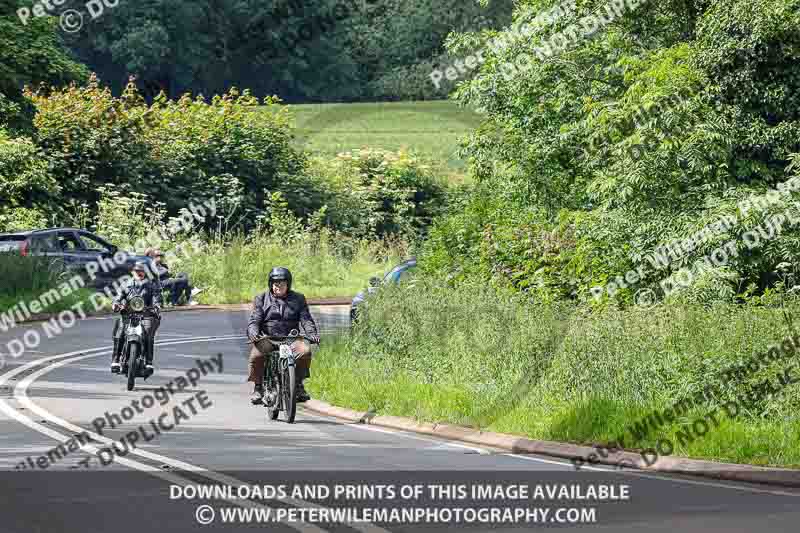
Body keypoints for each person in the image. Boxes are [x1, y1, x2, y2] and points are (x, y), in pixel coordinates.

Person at [246, 267, 320, 405]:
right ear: (270, 284)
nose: (278, 286)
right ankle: (258, 387)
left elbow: (306, 319)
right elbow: (254, 320)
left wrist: (312, 334)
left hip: (291, 339)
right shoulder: (261, 298)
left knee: (305, 351)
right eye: (275, 283)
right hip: (267, 338)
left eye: (282, 283)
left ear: (288, 284)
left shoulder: (298, 299)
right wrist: (253, 333)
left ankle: (298, 385)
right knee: (256, 355)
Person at [111, 262, 163, 374]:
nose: (139, 273)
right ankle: (115, 360)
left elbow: (156, 298)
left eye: (141, 271)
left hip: (146, 315)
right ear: (132, 272)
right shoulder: (126, 284)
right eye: (136, 271)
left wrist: (156, 306)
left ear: (145, 273)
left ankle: (149, 362)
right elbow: (118, 297)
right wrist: (116, 303)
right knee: (120, 332)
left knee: (148, 334)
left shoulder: (151, 285)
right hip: (128, 314)